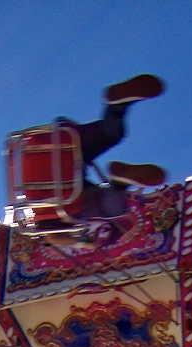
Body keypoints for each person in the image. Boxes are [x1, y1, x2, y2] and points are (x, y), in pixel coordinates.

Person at [23, 75, 168, 231]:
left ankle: (120, 183)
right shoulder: (25, 170)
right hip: (57, 147)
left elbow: (53, 236)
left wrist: (82, 242)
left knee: (111, 207)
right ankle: (116, 106)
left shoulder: (41, 218)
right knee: (110, 134)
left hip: (61, 193)